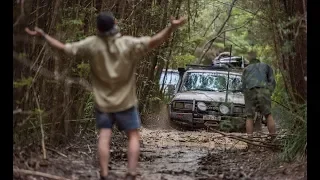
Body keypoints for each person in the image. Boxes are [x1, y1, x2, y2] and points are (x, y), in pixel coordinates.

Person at [25, 12, 186, 180]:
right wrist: (171, 27)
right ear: (115, 24)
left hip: (103, 103)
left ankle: (104, 174)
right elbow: (154, 41)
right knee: (133, 135)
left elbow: (64, 48)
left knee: (104, 134)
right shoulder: (127, 44)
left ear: (98, 28)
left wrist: (43, 35)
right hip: (126, 102)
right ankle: (131, 172)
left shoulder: (92, 44)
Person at [241, 51, 277, 144]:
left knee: (249, 116)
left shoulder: (246, 69)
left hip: (249, 91)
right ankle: (273, 139)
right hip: (263, 90)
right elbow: (272, 81)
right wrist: (269, 92)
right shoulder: (266, 66)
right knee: (268, 114)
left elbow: (243, 86)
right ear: (258, 61)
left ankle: (250, 142)